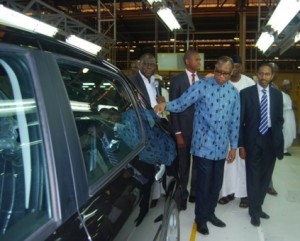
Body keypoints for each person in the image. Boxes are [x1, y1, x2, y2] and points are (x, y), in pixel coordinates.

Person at [154, 56, 240, 235]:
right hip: (203, 145)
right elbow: (182, 102)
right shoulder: (202, 85)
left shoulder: (234, 93)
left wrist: (234, 146)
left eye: (225, 73)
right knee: (204, 183)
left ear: (231, 73)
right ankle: (200, 218)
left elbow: (234, 121)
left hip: (220, 147)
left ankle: (210, 213)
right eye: (218, 71)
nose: (220, 76)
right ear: (214, 68)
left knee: (216, 184)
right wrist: (165, 105)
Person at [239, 62, 284, 227]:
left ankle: (258, 206)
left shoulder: (277, 95)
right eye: (261, 74)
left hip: (271, 141)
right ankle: (254, 212)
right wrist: (241, 145)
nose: (264, 77)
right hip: (253, 140)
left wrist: (279, 140)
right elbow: (240, 122)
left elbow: (279, 119)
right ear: (257, 75)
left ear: (272, 76)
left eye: (267, 74)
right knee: (253, 177)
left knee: (265, 177)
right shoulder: (246, 94)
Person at [218, 55, 255, 208]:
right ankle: (229, 192)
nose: (235, 68)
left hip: (245, 129)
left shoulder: (249, 82)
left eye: (238, 65)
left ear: (241, 67)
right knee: (228, 162)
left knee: (243, 162)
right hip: (226, 129)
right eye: (233, 66)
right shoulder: (221, 82)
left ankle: (245, 194)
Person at [169, 49, 203, 210]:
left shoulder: (203, 80)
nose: (199, 62)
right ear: (187, 61)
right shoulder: (177, 80)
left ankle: (195, 192)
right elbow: (173, 108)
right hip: (183, 130)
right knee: (183, 165)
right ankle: (182, 194)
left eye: (199, 59)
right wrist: (178, 133)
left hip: (200, 131)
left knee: (197, 163)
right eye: (196, 59)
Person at [267, 62, 280, 196]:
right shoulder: (256, 86)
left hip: (270, 132)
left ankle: (268, 185)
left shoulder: (276, 89)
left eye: (275, 72)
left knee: (270, 161)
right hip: (257, 132)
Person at [281, 79, 297, 155]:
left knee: (290, 132)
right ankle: (283, 149)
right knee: (286, 132)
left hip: (290, 116)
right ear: (284, 86)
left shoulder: (287, 95)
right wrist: (291, 107)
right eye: (288, 86)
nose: (290, 87)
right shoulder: (281, 94)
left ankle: (285, 148)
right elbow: (281, 107)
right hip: (285, 117)